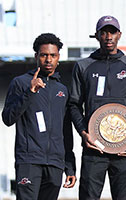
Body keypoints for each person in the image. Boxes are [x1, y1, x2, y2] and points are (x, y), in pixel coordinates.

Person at [68, 15, 126, 200]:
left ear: (119, 35)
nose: (108, 36)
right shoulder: (83, 66)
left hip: (124, 149)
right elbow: (73, 104)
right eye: (104, 32)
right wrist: (83, 132)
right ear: (97, 36)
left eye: (112, 32)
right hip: (93, 148)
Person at [2, 33, 76, 200]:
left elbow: (66, 131)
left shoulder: (63, 90)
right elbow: (7, 118)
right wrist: (30, 92)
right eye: (44, 55)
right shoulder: (20, 83)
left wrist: (69, 167)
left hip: (55, 164)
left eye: (53, 55)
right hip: (29, 161)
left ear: (58, 58)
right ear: (36, 56)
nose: (48, 60)